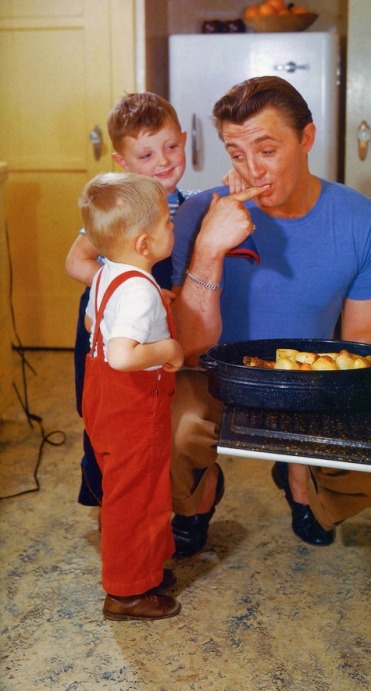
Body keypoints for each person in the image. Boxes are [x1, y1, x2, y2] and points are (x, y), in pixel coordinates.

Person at [168, 76, 371, 556]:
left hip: (309, 380)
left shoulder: (364, 220)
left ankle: (300, 476)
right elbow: (193, 350)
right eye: (236, 154)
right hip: (216, 373)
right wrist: (209, 248)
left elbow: (363, 336)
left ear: (306, 138)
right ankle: (195, 501)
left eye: (266, 150)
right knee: (172, 432)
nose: (251, 169)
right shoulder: (201, 212)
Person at [65, 92, 199, 507]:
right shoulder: (120, 206)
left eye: (171, 146)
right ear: (121, 162)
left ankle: (152, 501)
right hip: (111, 328)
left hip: (155, 334)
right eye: (145, 155)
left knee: (152, 419)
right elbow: (76, 261)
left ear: (184, 140)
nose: (163, 162)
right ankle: (107, 497)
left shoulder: (190, 204)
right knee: (105, 415)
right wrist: (129, 286)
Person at [79, 171, 183, 621]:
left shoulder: (107, 274)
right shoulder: (139, 288)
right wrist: (168, 348)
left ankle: (146, 568)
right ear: (145, 243)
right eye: (167, 223)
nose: (173, 228)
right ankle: (126, 593)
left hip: (101, 398)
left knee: (134, 488)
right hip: (134, 404)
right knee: (135, 497)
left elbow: (91, 326)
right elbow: (124, 356)